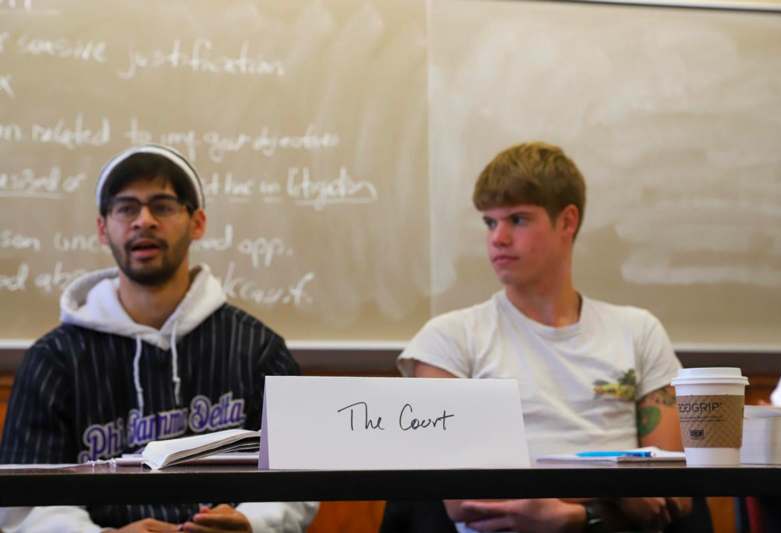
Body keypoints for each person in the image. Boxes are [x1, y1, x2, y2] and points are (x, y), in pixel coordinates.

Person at [0, 144, 317, 532]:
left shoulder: (258, 351)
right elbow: (25, 503)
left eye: (163, 206)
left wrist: (251, 523)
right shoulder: (53, 361)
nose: (143, 221)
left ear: (197, 222)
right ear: (104, 228)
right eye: (126, 208)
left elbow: (299, 476)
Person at [395, 142, 696, 533]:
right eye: (490, 222)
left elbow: (674, 495)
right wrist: (617, 493)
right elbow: (463, 500)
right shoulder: (448, 340)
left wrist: (575, 518)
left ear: (567, 222)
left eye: (517, 220)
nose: (498, 238)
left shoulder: (639, 331)